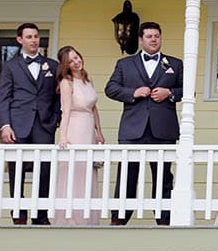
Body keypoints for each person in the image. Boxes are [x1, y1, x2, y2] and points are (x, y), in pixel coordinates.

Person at [106, 20, 183, 222]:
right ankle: (119, 217)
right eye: (149, 36)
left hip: (163, 129)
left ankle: (164, 218)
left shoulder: (175, 64)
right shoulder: (125, 64)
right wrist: (133, 92)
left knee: (163, 176)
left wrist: (170, 93)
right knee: (127, 175)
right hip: (133, 128)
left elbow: (187, 90)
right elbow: (111, 89)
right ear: (141, 39)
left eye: (156, 36)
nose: (153, 40)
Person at [0, 21, 61, 223]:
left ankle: (41, 215)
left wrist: (55, 119)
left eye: (36, 36)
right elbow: (4, 97)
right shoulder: (10, 66)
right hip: (18, 124)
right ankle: (18, 212)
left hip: (44, 124)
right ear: (20, 40)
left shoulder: (52, 65)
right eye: (29, 37)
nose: (33, 40)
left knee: (44, 170)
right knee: (16, 170)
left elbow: (58, 95)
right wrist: (5, 125)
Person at [53, 45, 105, 226]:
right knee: (75, 171)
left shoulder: (87, 80)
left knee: (88, 171)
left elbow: (94, 107)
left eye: (77, 57)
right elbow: (65, 111)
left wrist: (99, 132)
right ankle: (70, 219)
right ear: (65, 65)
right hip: (75, 126)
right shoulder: (66, 83)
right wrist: (63, 136)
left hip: (88, 127)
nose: (76, 62)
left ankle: (87, 217)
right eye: (71, 61)